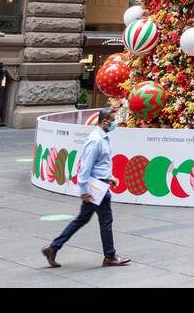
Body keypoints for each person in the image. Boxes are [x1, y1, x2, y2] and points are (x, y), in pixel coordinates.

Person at [42, 109, 131, 268]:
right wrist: (83, 190)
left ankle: (53, 247)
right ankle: (110, 256)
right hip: (96, 188)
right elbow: (85, 167)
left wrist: (110, 178)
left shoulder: (103, 138)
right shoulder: (95, 140)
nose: (115, 123)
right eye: (113, 120)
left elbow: (100, 165)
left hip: (99, 185)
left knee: (82, 219)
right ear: (105, 122)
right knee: (105, 220)